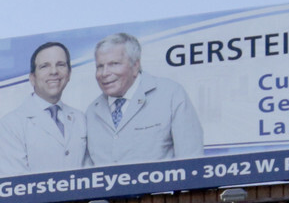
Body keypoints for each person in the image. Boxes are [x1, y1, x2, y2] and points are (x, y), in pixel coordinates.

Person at [85, 32, 203, 166]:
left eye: (114, 64)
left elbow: (192, 163)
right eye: (100, 66)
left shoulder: (171, 94)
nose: (104, 73)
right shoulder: (92, 112)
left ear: (135, 66)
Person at [0, 40, 86, 176]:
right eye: (44, 66)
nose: (54, 71)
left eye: (60, 65)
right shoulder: (10, 125)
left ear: (69, 74)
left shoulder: (80, 118)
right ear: (32, 78)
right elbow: (13, 186)